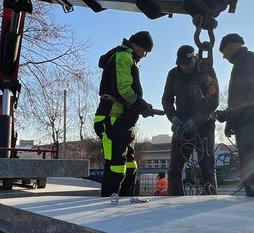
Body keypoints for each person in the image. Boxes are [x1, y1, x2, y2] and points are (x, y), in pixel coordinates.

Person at [94, 31, 155, 197]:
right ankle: (108, 203)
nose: (145, 55)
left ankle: (125, 200)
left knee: (129, 164)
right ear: (137, 45)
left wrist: (140, 108)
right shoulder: (124, 57)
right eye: (145, 51)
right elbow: (123, 90)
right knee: (115, 165)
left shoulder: (128, 58)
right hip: (112, 118)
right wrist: (143, 107)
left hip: (123, 121)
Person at [215, 33, 254, 198]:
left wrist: (228, 119)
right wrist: (227, 116)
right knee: (249, 172)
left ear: (232, 44)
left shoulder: (247, 60)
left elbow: (243, 95)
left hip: (252, 123)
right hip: (248, 123)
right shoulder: (244, 61)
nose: (224, 57)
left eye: (224, 52)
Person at [162, 44, 219, 196]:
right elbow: (167, 100)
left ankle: (210, 199)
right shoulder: (173, 74)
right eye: (181, 64)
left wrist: (196, 120)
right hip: (181, 125)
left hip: (204, 125)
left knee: (207, 167)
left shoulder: (206, 72)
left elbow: (213, 101)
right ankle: (174, 201)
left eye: (187, 64)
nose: (184, 67)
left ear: (195, 59)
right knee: (174, 168)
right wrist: (172, 117)